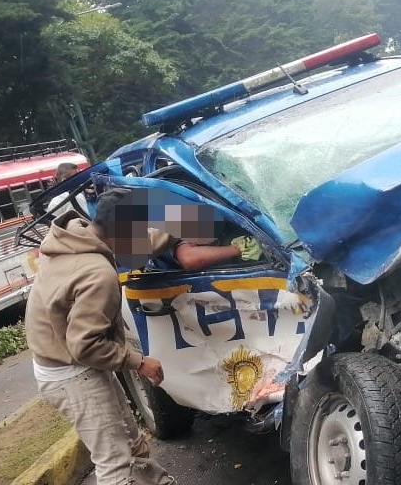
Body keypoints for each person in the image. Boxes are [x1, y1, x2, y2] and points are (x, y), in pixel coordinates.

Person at [24, 189, 262, 485]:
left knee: (131, 442)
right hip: (72, 373)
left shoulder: (77, 237)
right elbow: (85, 345)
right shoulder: (97, 273)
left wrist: (187, 228)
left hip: (69, 362)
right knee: (115, 463)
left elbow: (145, 243)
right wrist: (138, 362)